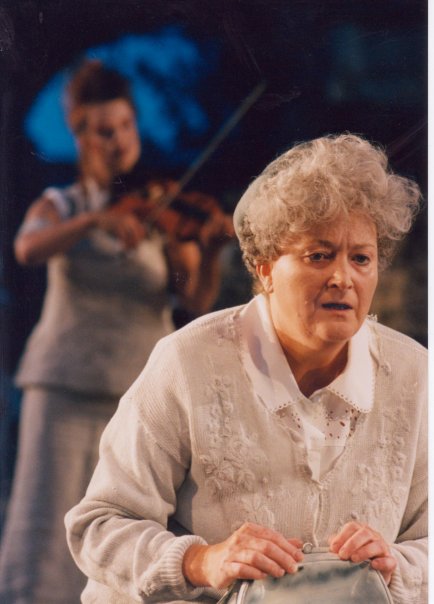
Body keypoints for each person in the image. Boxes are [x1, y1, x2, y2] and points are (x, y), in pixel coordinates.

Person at [65, 133, 427, 604]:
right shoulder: (187, 362)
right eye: (319, 256)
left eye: (361, 258)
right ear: (264, 268)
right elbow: (99, 524)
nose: (343, 277)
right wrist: (201, 561)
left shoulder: (416, 375)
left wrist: (396, 565)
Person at [0, 60, 231, 604]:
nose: (119, 140)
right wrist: (94, 221)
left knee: (124, 522)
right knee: (44, 521)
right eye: (105, 130)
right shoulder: (63, 204)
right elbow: (27, 247)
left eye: (127, 126)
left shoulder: (160, 211)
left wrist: (210, 251)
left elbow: (193, 300)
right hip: (63, 385)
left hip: (135, 392)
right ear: (80, 135)